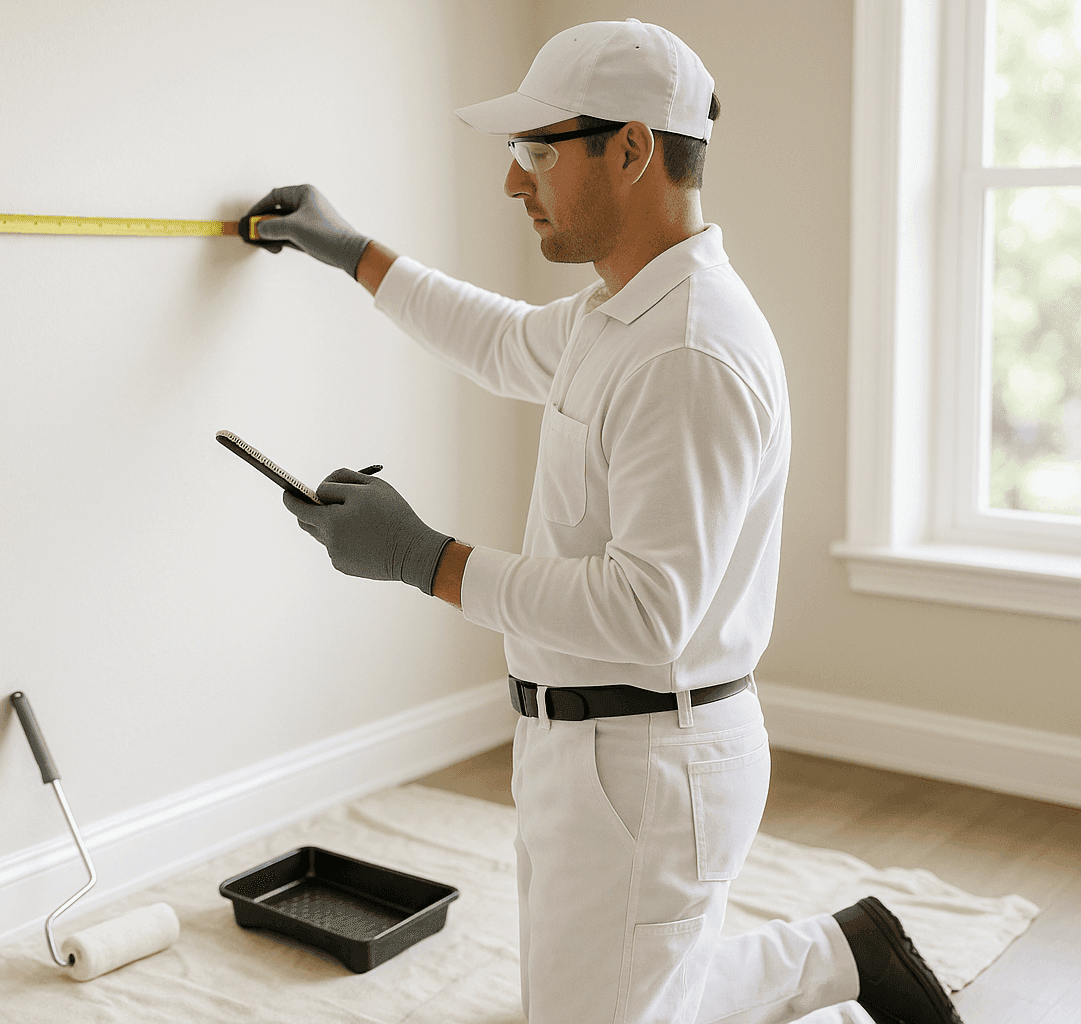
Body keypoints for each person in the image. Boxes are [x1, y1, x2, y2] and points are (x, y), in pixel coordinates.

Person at [241, 18, 963, 1024]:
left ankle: (831, 958)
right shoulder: (617, 314)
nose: (513, 181)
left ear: (631, 150)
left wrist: (422, 556)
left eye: (539, 150)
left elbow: (645, 613)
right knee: (603, 1004)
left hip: (648, 767)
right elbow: (500, 340)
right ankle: (844, 949)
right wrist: (352, 251)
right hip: (588, 751)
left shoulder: (689, 351)